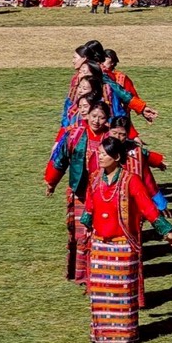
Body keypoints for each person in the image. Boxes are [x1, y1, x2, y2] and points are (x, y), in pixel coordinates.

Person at [80, 136, 172, 343]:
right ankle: (102, 335)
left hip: (123, 245)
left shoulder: (131, 180)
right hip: (100, 244)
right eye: (99, 152)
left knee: (122, 292)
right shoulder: (95, 178)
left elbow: (147, 207)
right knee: (100, 294)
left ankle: (124, 335)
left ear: (116, 157)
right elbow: (90, 204)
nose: (100, 156)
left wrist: (165, 230)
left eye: (104, 154)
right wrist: (86, 228)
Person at [47, 102, 113, 285]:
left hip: (105, 193)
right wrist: (51, 182)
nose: (97, 121)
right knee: (81, 234)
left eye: (101, 117)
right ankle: (81, 275)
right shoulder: (75, 135)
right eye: (94, 116)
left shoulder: (111, 138)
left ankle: (98, 273)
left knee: (99, 233)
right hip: (81, 193)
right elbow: (60, 160)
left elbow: (133, 155)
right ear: (87, 116)